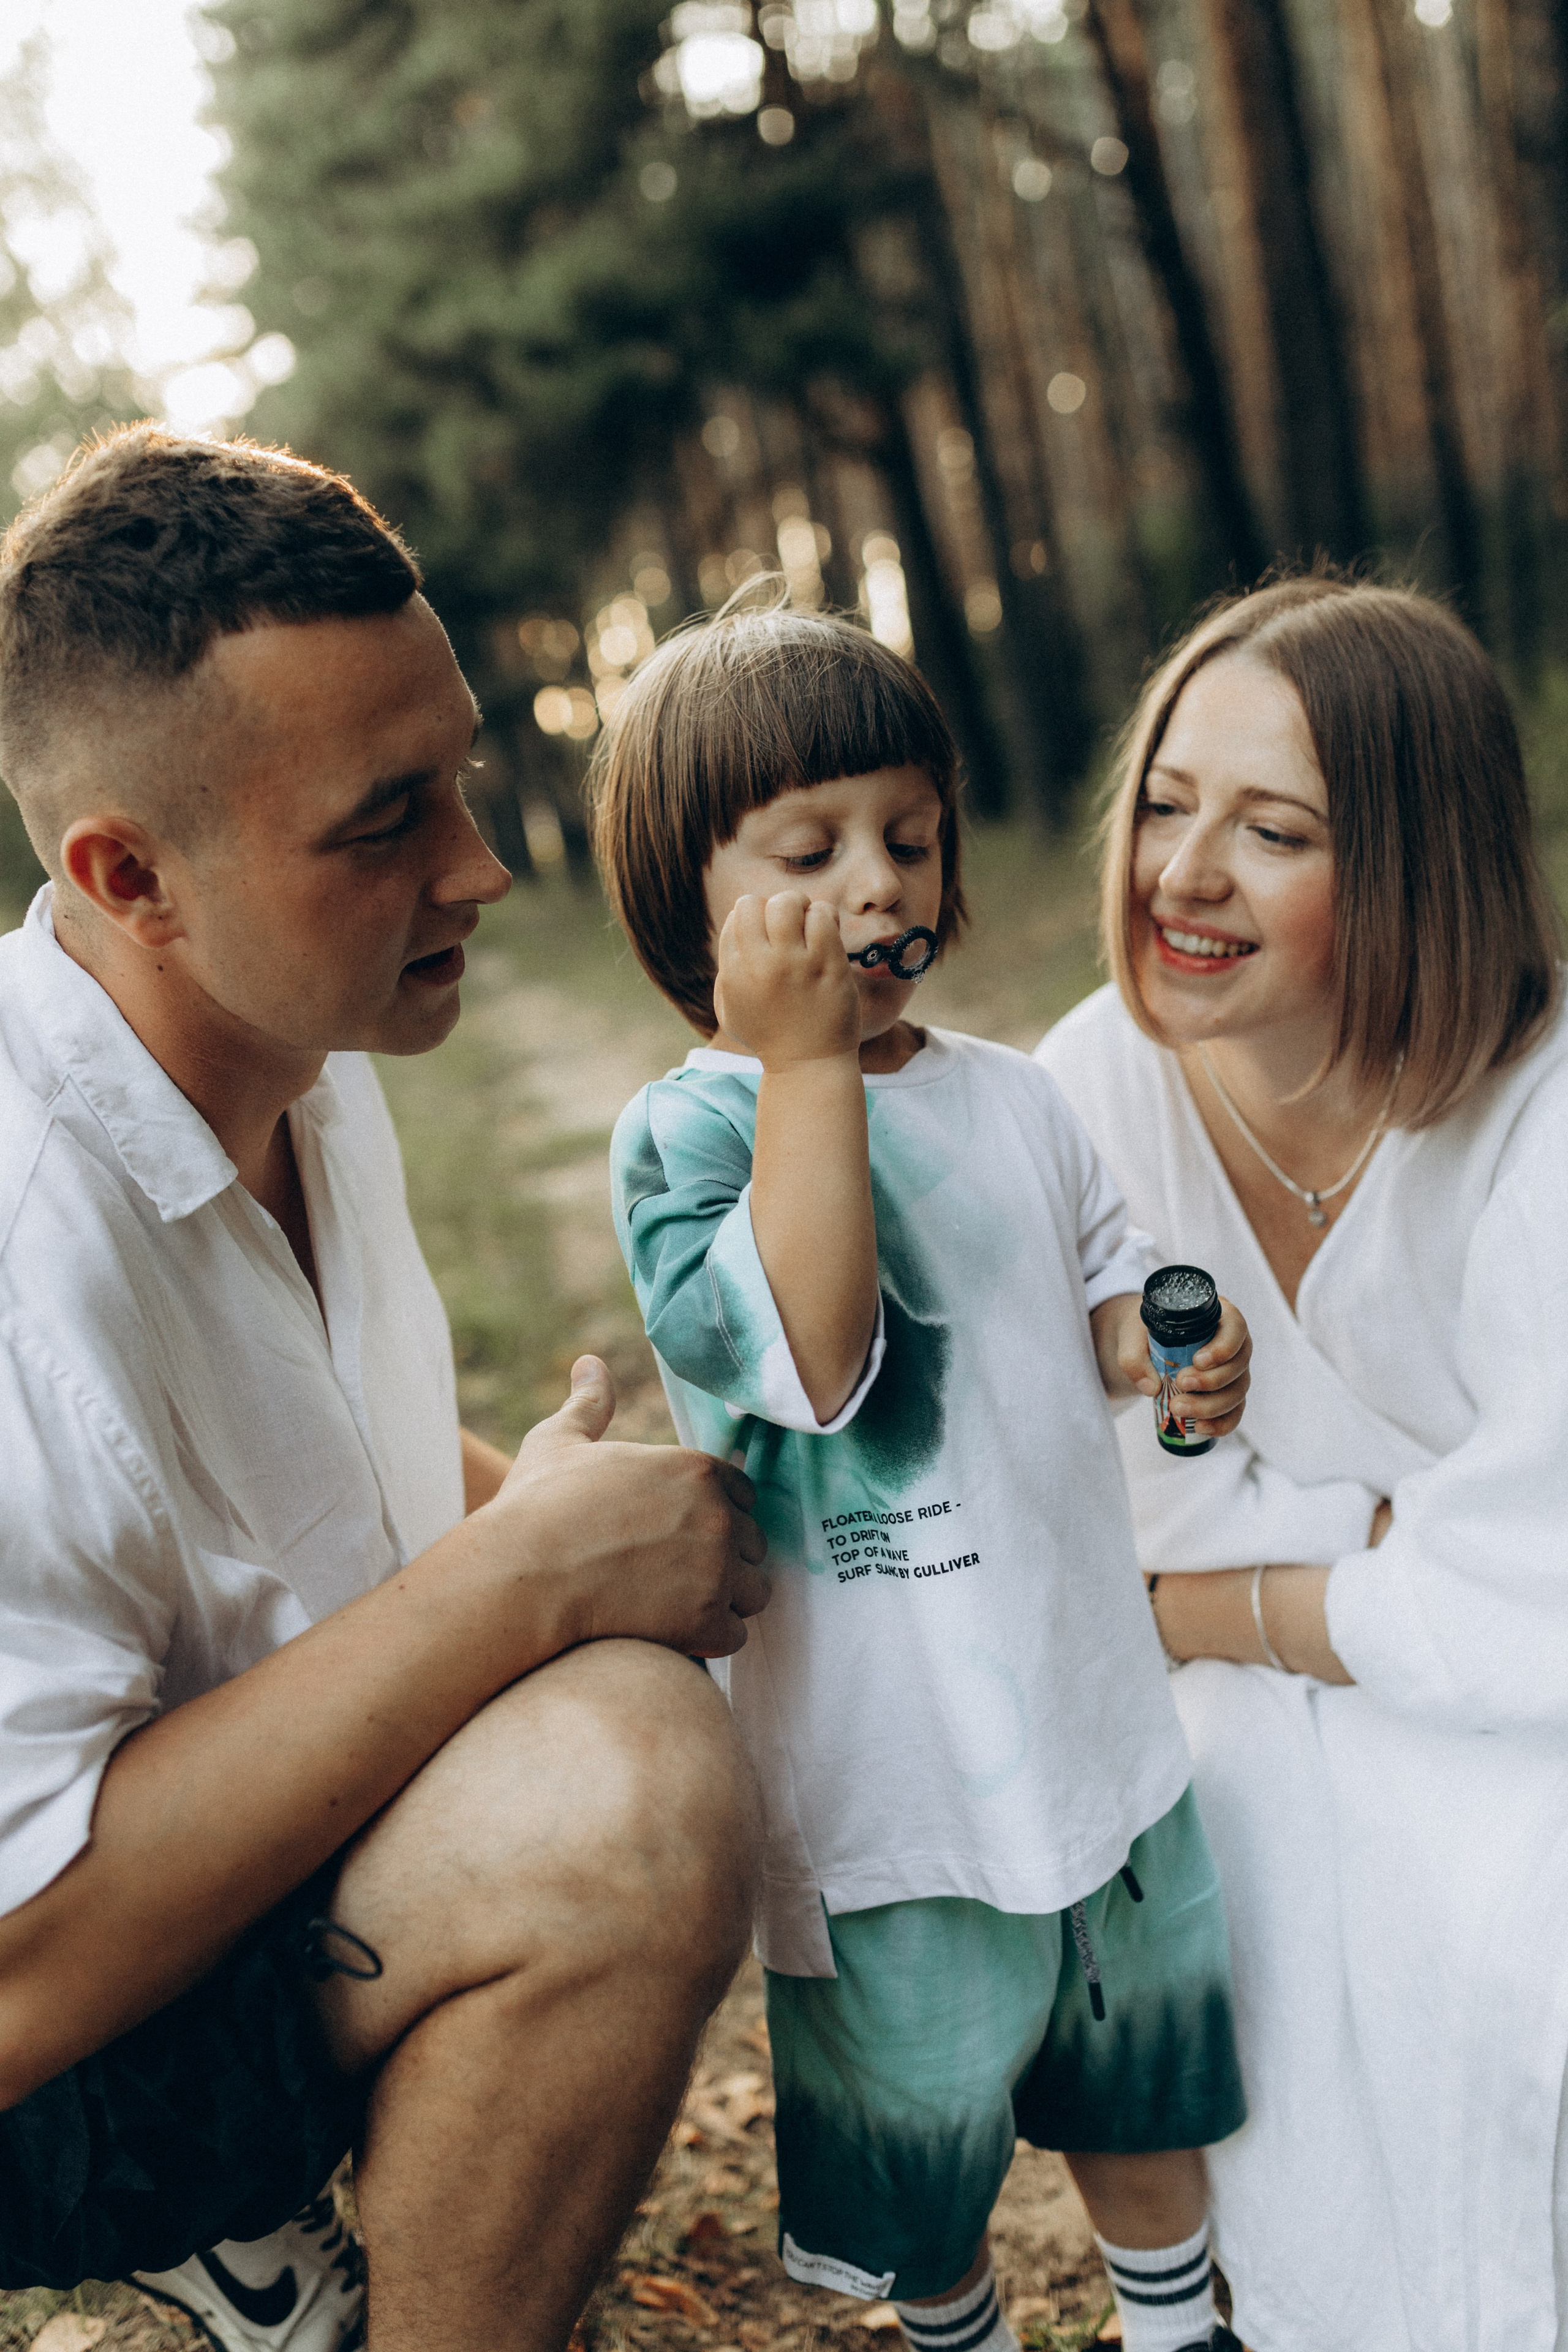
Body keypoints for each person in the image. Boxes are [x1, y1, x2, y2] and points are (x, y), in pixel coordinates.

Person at [0, 427, 771, 2352]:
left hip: (212, 1917)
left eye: (468, 783)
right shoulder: (23, 1245)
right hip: (43, 2041)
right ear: (127, 874)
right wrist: (525, 1584)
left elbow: (275, 1452)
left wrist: (561, 1519)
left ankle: (282, 2251)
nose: (482, 868)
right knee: (628, 1781)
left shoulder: (298, 1044)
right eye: (386, 821)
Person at [591, 598, 1256, 2352]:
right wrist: (808, 1064)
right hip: (887, 1791)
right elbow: (817, 1361)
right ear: (691, 901)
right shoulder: (699, 1133)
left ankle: (1180, 2326)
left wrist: (1164, 1356)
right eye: (810, 852)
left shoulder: (1019, 1097)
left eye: (908, 834)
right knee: (928, 2158)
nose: (880, 884)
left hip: (1096, 1722)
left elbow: (1100, 1300)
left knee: (1143, 2093)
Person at [1035, 575, 1568, 2352]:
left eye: (1275, 831)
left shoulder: (1541, 1121)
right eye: (1169, 805)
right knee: (1216, 1823)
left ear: (1417, 864)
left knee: (1513, 1897)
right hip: (1277, 1685)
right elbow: (1081, 1509)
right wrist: (1358, 1555)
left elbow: (1532, 1596)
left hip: (1522, 1707)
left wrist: (1202, 1596)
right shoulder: (1088, 1097)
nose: (1183, 874)